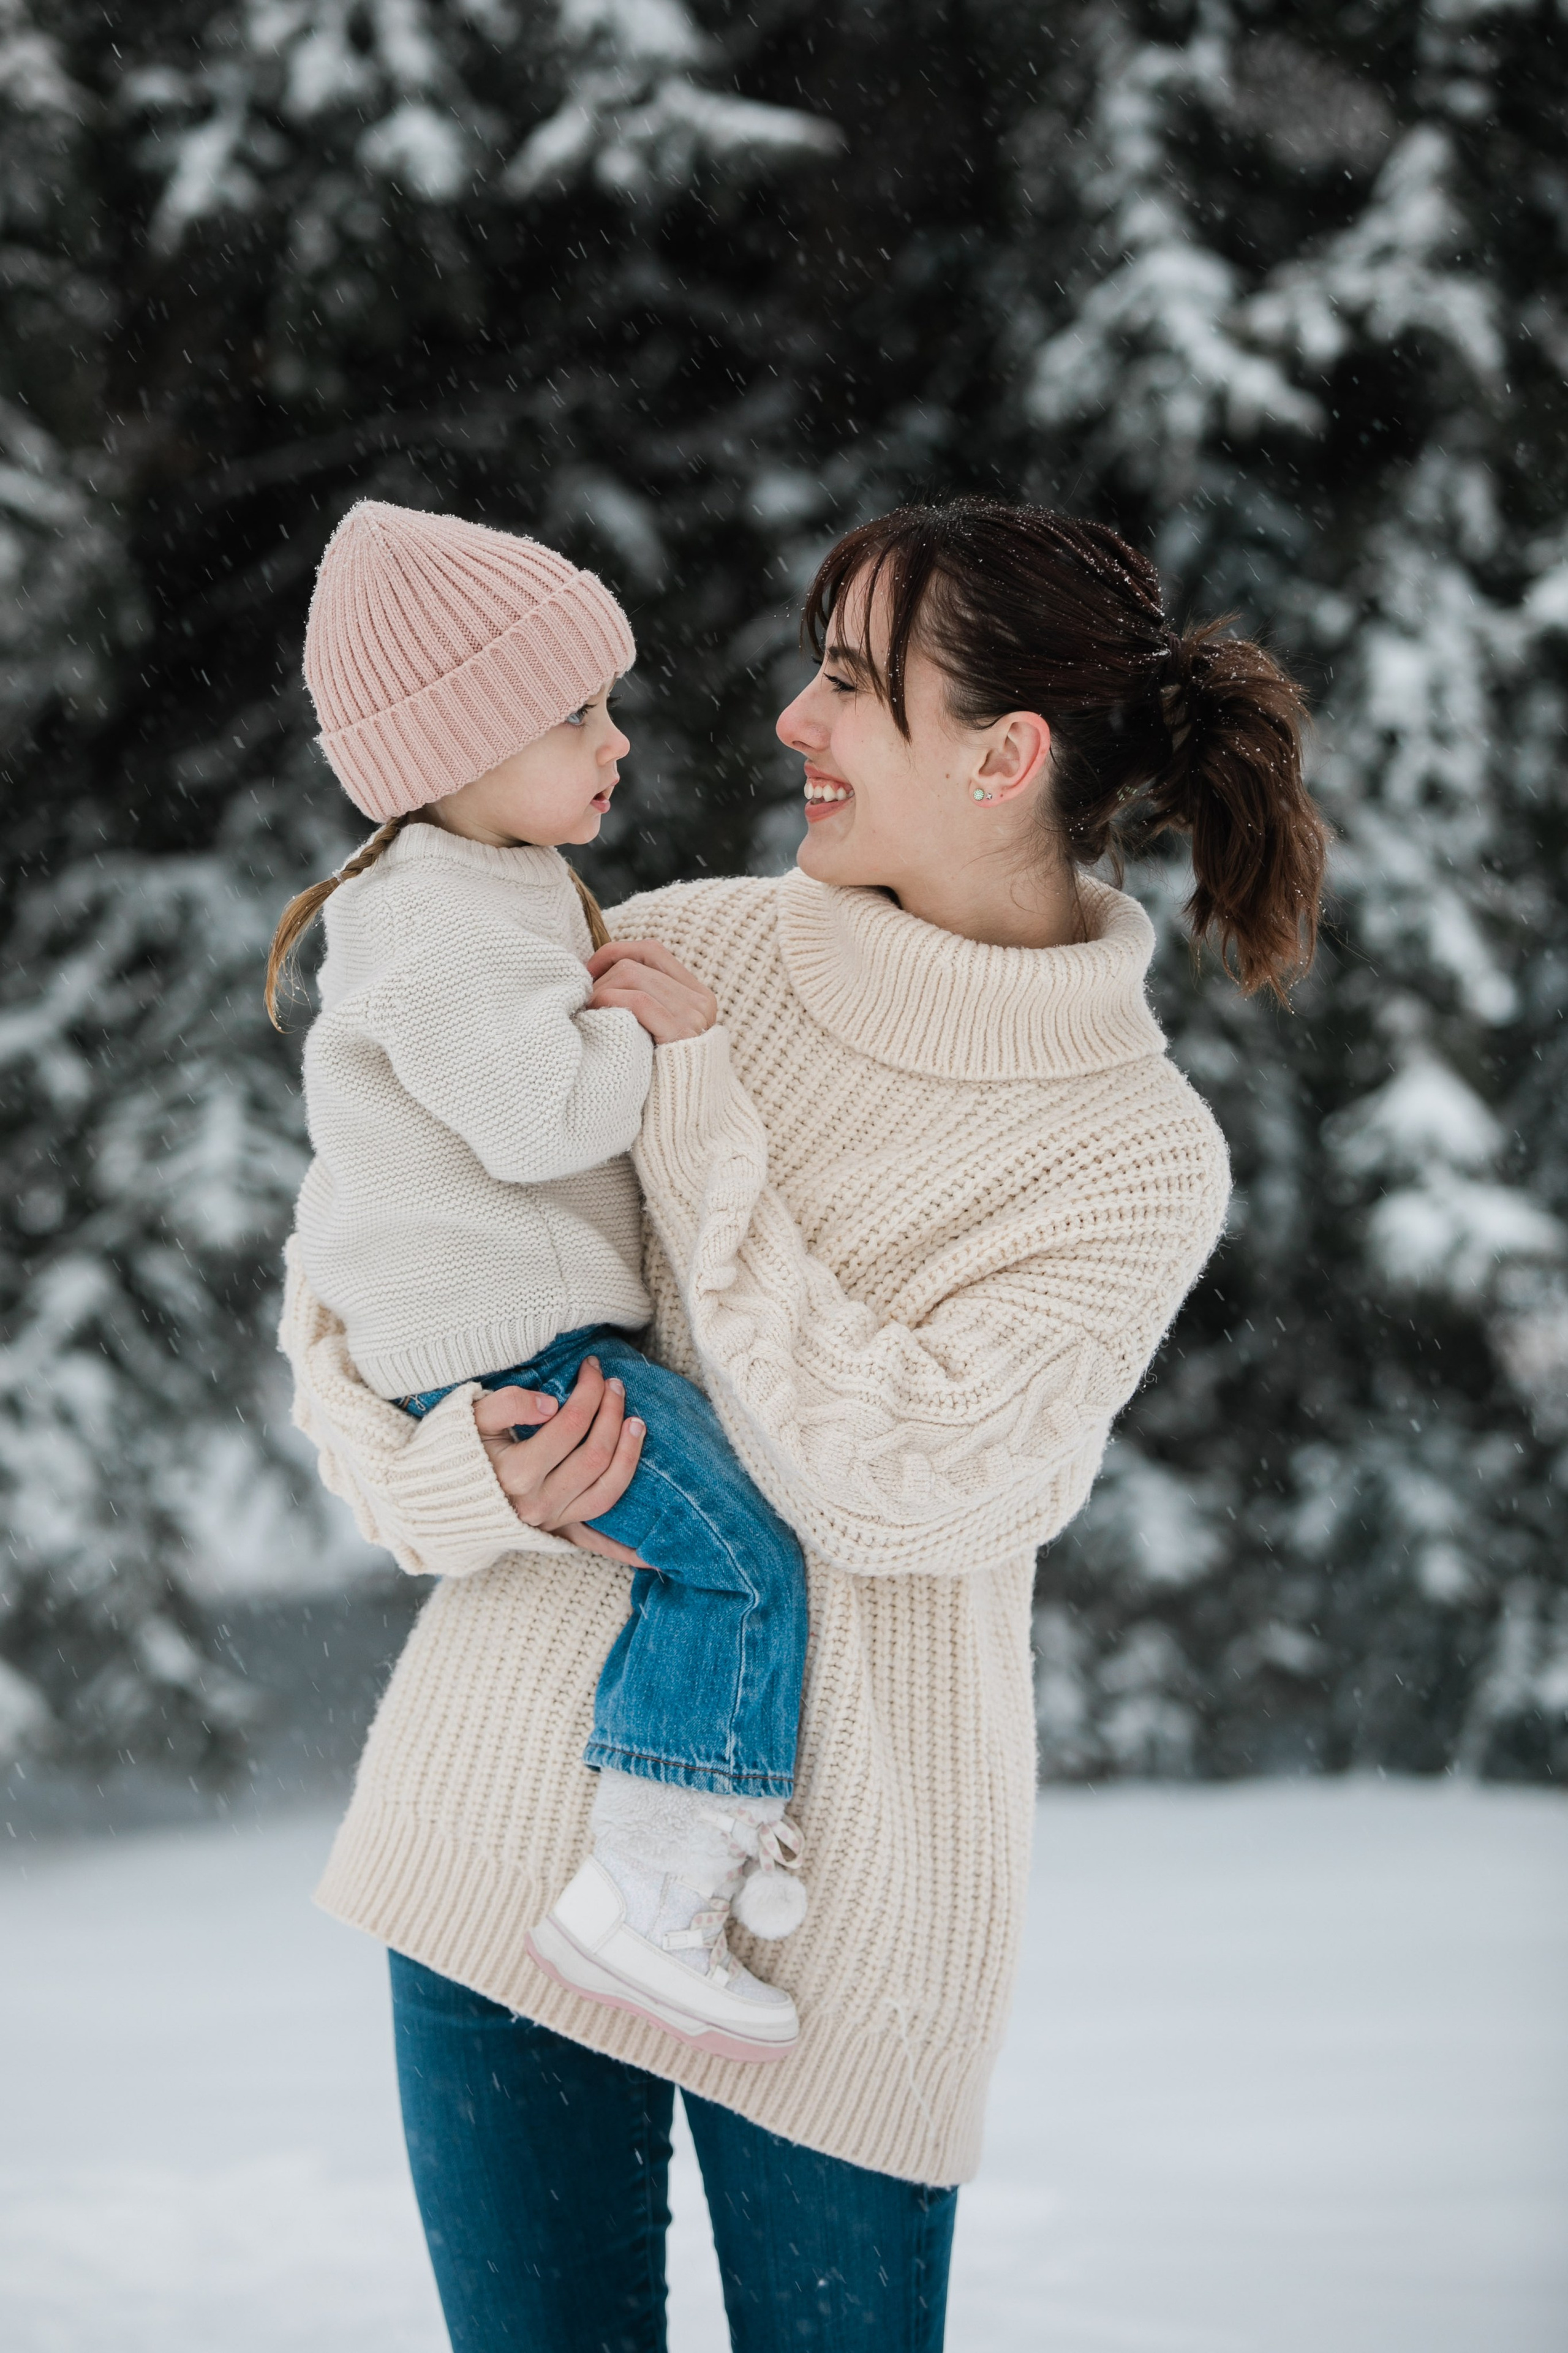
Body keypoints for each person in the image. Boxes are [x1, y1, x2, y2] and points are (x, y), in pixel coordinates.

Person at [281, 496, 1328, 2352]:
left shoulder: (1130, 1154)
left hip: (864, 1936)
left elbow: (909, 1478)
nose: (788, 719)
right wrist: (458, 1477)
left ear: (1005, 758)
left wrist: (695, 1128)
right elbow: (361, 1261)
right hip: (504, 1852)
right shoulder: (685, 948)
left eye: (849, 682)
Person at [273, 501, 813, 2068]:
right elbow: (543, 1117)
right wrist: (648, 1034)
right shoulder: (441, 917)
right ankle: (653, 1891)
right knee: (736, 1562)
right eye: (574, 713)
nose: (617, 741)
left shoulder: (468, 891)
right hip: (517, 1354)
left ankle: (682, 1854)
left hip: (512, 1340)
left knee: (716, 1553)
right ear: (451, 750)